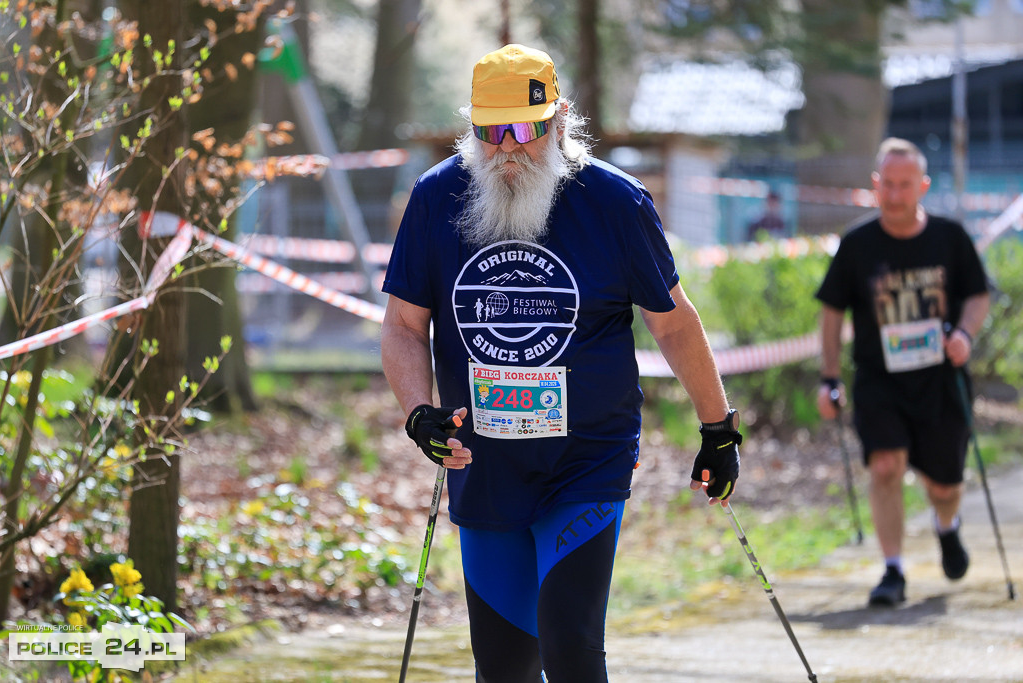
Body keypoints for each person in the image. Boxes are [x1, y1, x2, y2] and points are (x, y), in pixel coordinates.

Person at [380, 44, 742, 682]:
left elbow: (674, 322)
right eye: (491, 132)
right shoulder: (436, 199)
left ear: (560, 120)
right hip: (485, 460)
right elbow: (406, 327)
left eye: (526, 129)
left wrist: (718, 430)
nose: (508, 149)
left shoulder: (614, 204)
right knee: (505, 666)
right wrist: (419, 414)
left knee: (571, 646)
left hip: (586, 458)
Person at [815, 137, 990, 607]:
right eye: (886, 184)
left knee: (945, 484)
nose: (894, 194)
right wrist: (829, 378)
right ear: (875, 185)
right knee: (886, 466)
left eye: (904, 185)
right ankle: (893, 570)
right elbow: (831, 313)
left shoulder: (950, 238)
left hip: (940, 380)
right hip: (879, 379)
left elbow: (977, 294)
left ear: (923, 186)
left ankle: (946, 526)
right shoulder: (857, 244)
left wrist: (965, 336)